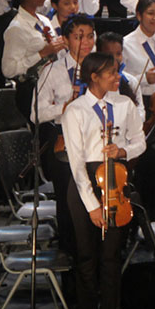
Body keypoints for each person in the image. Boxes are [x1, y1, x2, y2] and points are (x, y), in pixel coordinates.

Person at [62, 51, 146, 309]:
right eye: (111, 72)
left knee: (111, 257)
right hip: (85, 182)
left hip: (115, 181)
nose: (117, 76)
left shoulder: (124, 104)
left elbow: (140, 142)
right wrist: (92, 206)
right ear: (94, 77)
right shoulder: (75, 110)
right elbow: (76, 164)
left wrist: (123, 151)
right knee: (86, 257)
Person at [36, 13, 97, 254]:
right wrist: (64, 107)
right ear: (66, 39)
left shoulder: (101, 67)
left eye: (90, 36)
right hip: (64, 141)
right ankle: (70, 253)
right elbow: (36, 113)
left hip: (96, 140)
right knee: (69, 199)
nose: (86, 42)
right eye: (79, 37)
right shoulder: (53, 70)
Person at [0, 0, 64, 82]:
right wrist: (42, 53)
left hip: (52, 80)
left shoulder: (44, 20)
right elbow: (8, 70)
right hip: (31, 85)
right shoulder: (17, 28)